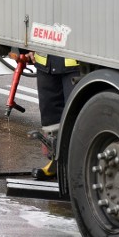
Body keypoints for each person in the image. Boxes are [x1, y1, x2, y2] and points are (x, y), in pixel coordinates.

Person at [26, 51, 80, 179]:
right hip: (46, 61)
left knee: (75, 117)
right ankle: (55, 161)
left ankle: (78, 166)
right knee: (50, 113)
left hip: (74, 64)